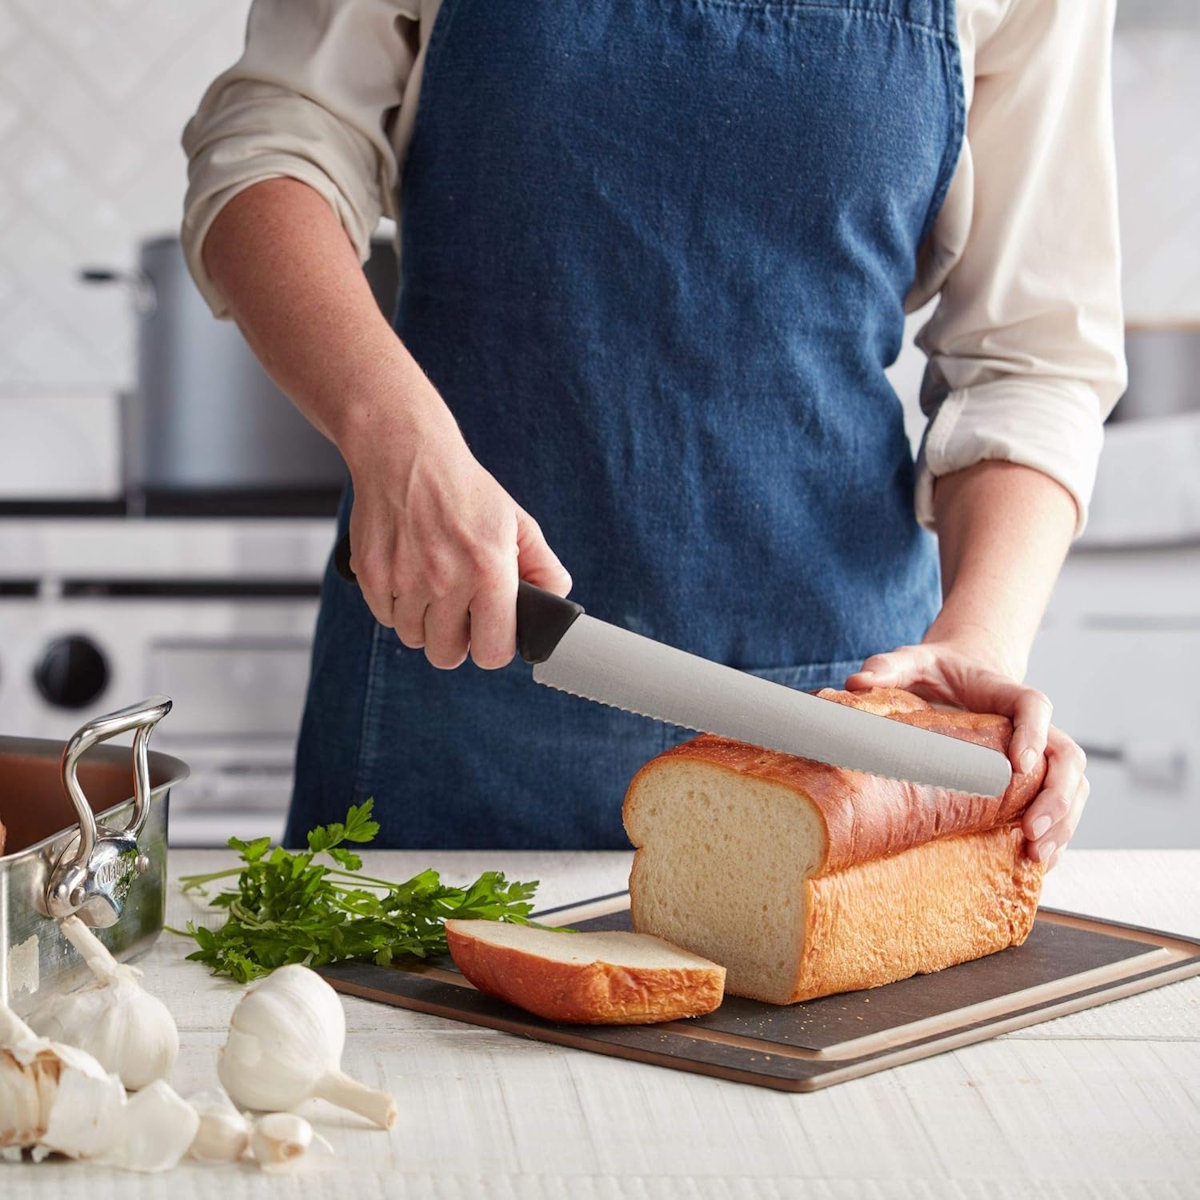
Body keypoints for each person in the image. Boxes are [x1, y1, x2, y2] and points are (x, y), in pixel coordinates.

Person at [182, 0, 1125, 857]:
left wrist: (983, 639)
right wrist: (397, 438)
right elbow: (269, 152)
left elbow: (1034, 358)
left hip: (840, 723)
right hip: (455, 684)